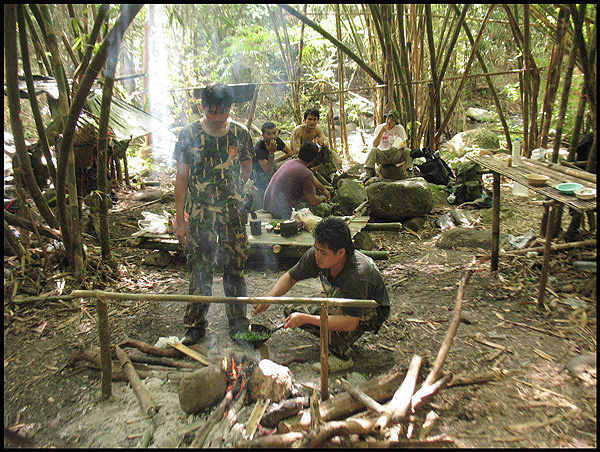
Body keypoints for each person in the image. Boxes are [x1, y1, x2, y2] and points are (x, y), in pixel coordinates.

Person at [253, 216, 390, 372]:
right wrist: (269, 298)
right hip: (341, 303)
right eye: (316, 249)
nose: (317, 255)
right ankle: (335, 336)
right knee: (293, 310)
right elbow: (291, 277)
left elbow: (350, 322)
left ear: (341, 252)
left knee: (332, 304)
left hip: (371, 311)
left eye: (323, 252)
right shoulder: (318, 255)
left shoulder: (357, 275)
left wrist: (306, 318)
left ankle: (342, 357)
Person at [173, 82, 254, 345]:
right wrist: (180, 220)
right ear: (202, 107)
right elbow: (182, 179)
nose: (218, 118)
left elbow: (246, 167)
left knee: (235, 269)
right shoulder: (189, 134)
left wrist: (234, 192)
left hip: (233, 215)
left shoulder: (240, 134)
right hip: (200, 214)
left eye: (224, 111)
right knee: (200, 269)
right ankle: (195, 325)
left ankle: (239, 323)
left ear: (231, 108)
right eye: (212, 112)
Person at [263, 141, 331, 220]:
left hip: (270, 206)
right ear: (314, 158)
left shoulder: (290, 162)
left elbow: (311, 177)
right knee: (325, 208)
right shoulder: (306, 173)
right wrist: (323, 198)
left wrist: (323, 189)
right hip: (283, 212)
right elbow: (312, 201)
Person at [290, 108, 342, 182]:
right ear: (305, 120)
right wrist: (314, 149)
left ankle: (332, 176)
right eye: (309, 119)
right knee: (297, 156)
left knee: (326, 151)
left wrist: (322, 144)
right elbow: (296, 150)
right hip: (298, 158)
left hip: (310, 156)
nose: (312, 122)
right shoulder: (298, 130)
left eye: (314, 119)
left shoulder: (317, 129)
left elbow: (326, 142)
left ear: (317, 121)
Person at [362, 110, 413, 182]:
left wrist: (399, 144)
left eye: (392, 120)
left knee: (407, 151)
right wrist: (381, 132)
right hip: (383, 154)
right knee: (373, 150)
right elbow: (374, 145)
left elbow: (405, 144)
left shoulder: (399, 128)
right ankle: (369, 174)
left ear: (395, 122)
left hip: (395, 154)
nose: (389, 121)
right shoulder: (379, 128)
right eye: (388, 118)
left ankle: (410, 173)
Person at [251, 122, 294, 200]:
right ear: (263, 135)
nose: (272, 136)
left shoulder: (275, 140)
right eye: (268, 134)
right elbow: (268, 171)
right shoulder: (259, 148)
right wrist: (271, 153)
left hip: (270, 166)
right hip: (260, 173)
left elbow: (289, 153)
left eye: (274, 133)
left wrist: (275, 161)